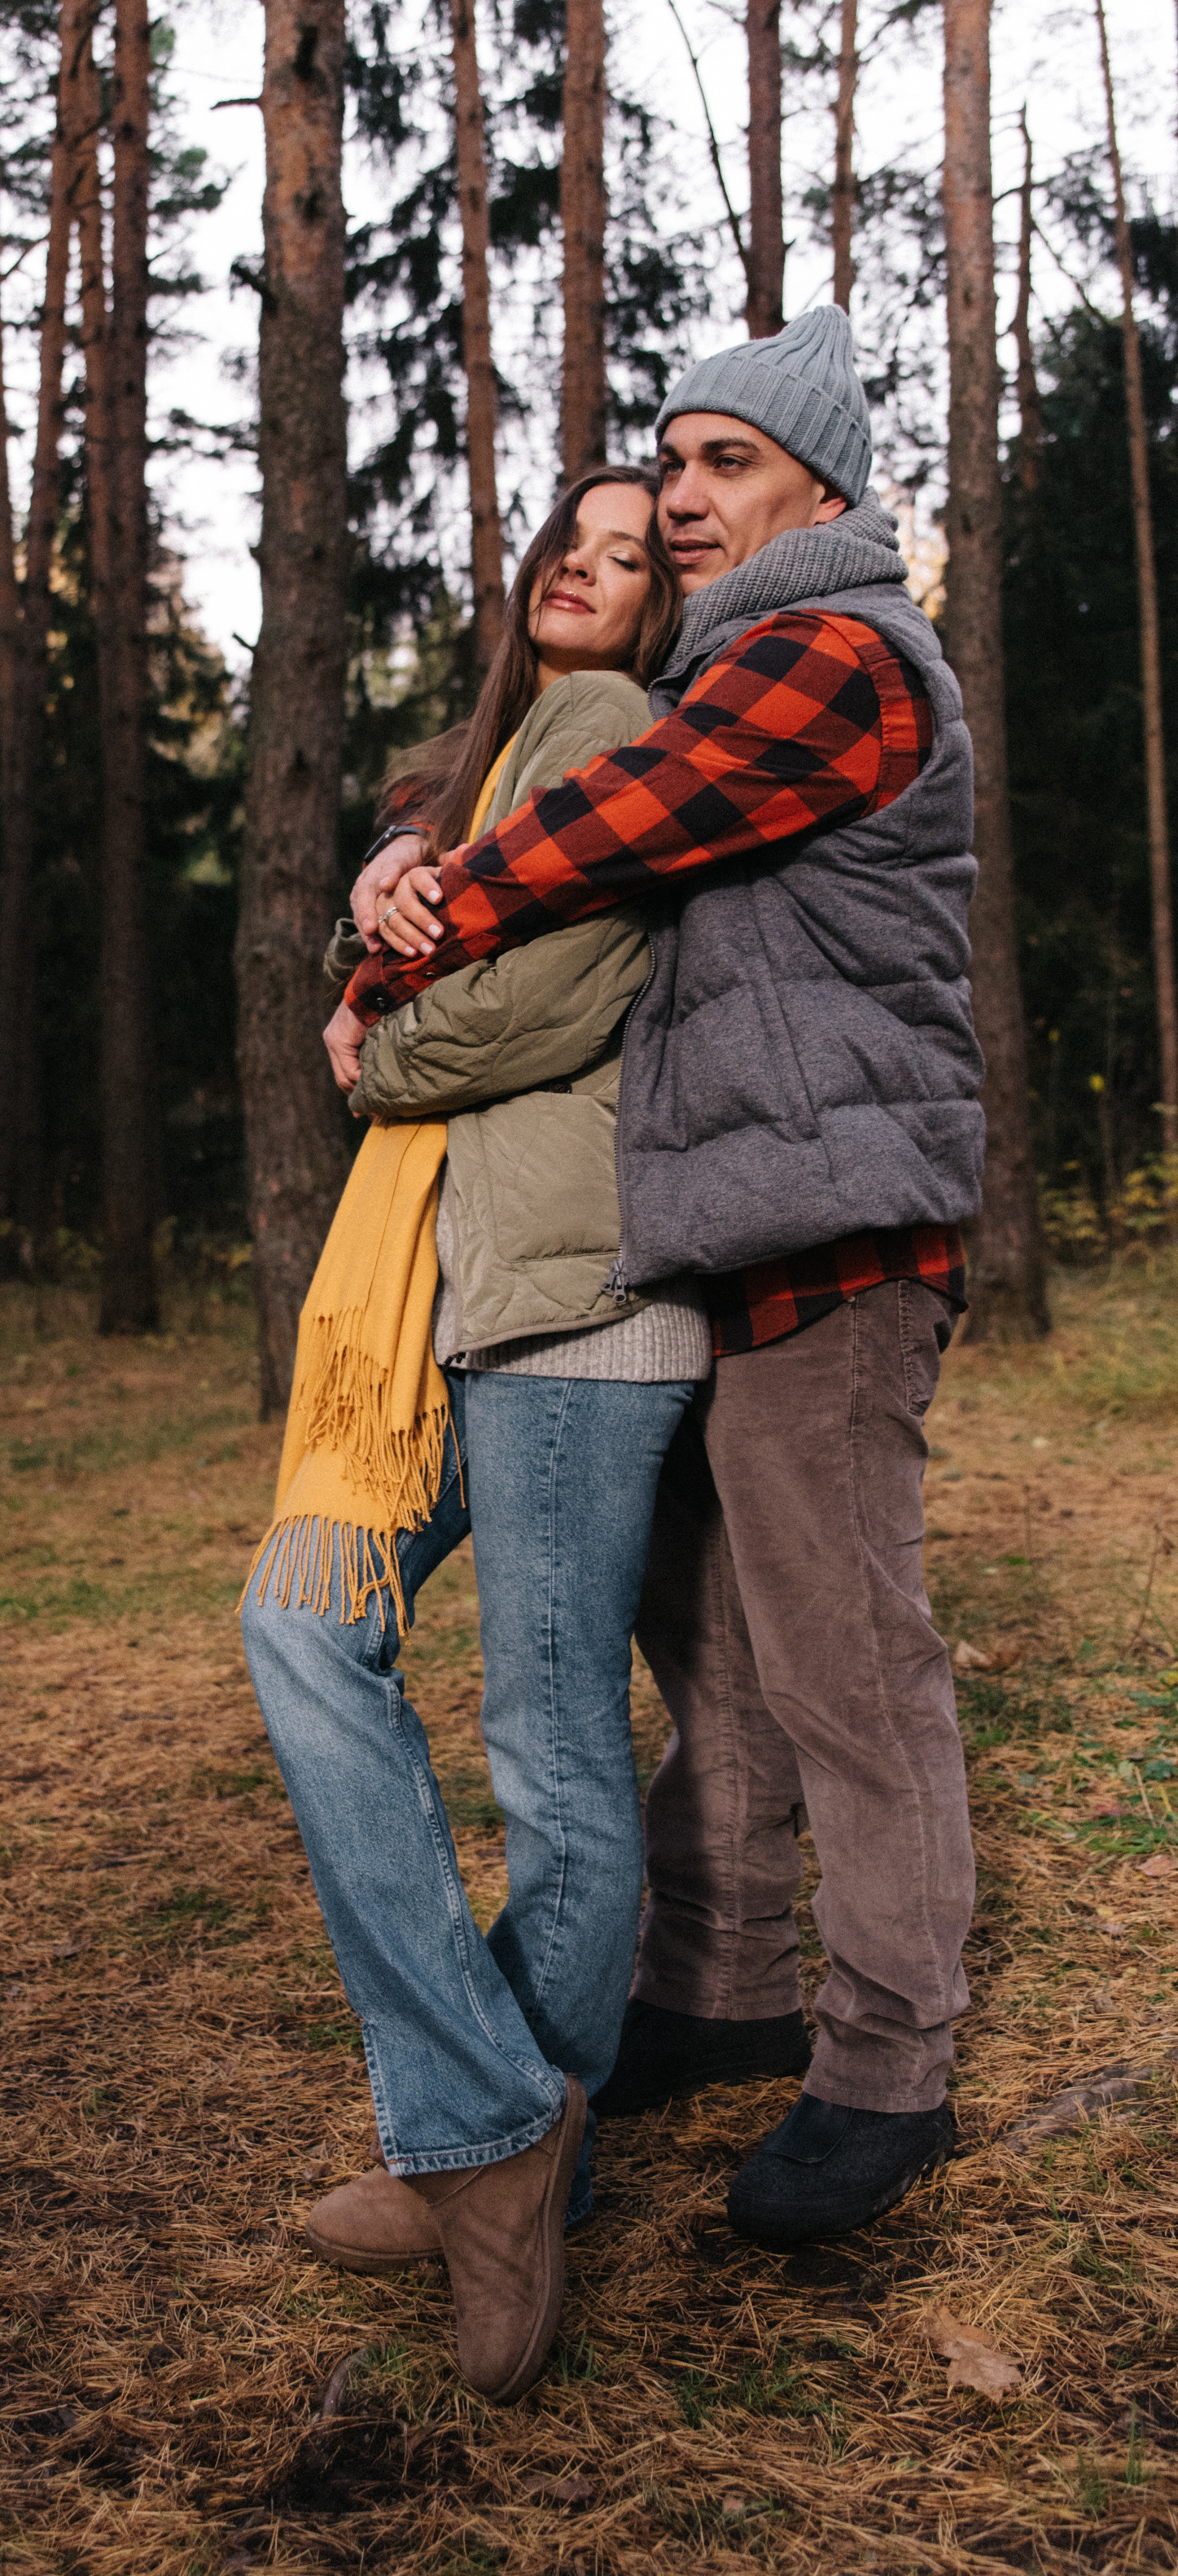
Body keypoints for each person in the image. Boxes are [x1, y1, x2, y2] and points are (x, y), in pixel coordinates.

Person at [338, 305, 983, 2253]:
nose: (684, 496)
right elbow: (572, 834)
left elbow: (618, 822)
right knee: (711, 1653)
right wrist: (409, 851)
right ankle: (718, 1986)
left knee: (848, 1668)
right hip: (710, 1248)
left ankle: (888, 2062)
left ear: (821, 490)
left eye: (723, 465)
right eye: (670, 459)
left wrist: (412, 918)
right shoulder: (725, 670)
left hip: (833, 1244)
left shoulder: (835, 658)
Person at [243, 467, 699, 2407]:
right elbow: (449, 935)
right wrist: (383, 916)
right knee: (304, 1628)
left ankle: (497, 2157)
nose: (590, 574)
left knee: (550, 1744)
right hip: (474, 1293)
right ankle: (496, 2121)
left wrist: (381, 1044)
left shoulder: (614, 730)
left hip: (580, 1294)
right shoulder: (504, 751)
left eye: (631, 556)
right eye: (565, 551)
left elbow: (554, 997)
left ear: (664, 606)